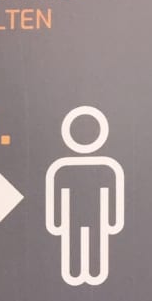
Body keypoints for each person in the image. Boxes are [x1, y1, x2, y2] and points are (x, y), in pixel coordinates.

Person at [45, 106, 124, 286]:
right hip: (73, 218)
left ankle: (91, 273)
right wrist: (57, 223)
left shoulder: (106, 168)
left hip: (95, 218)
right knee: (74, 250)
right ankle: (77, 273)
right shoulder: (64, 169)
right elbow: (57, 200)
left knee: (95, 250)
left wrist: (112, 222)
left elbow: (111, 199)